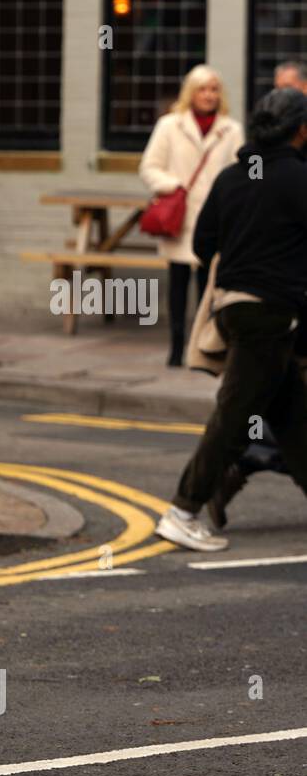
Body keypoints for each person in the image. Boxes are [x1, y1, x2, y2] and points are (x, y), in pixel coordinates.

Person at [155, 88, 307, 551]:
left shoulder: (231, 178)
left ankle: (192, 504)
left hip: (236, 307)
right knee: (234, 417)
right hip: (272, 314)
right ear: (300, 130)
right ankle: (182, 510)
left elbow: (203, 245)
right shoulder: (299, 180)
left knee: (295, 419)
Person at [208, 60, 307, 527]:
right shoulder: (280, 163)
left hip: (277, 296)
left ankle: (237, 464)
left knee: (277, 398)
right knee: (273, 401)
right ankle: (204, 488)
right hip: (283, 298)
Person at [140, 65, 244, 367]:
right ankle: (175, 346)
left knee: (208, 284)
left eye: (214, 89)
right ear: (191, 92)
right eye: (202, 89)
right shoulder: (169, 125)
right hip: (181, 218)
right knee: (177, 282)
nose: (209, 95)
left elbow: (240, 171)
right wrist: (175, 185)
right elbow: (149, 167)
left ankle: (201, 346)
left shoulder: (231, 129)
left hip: (214, 218)